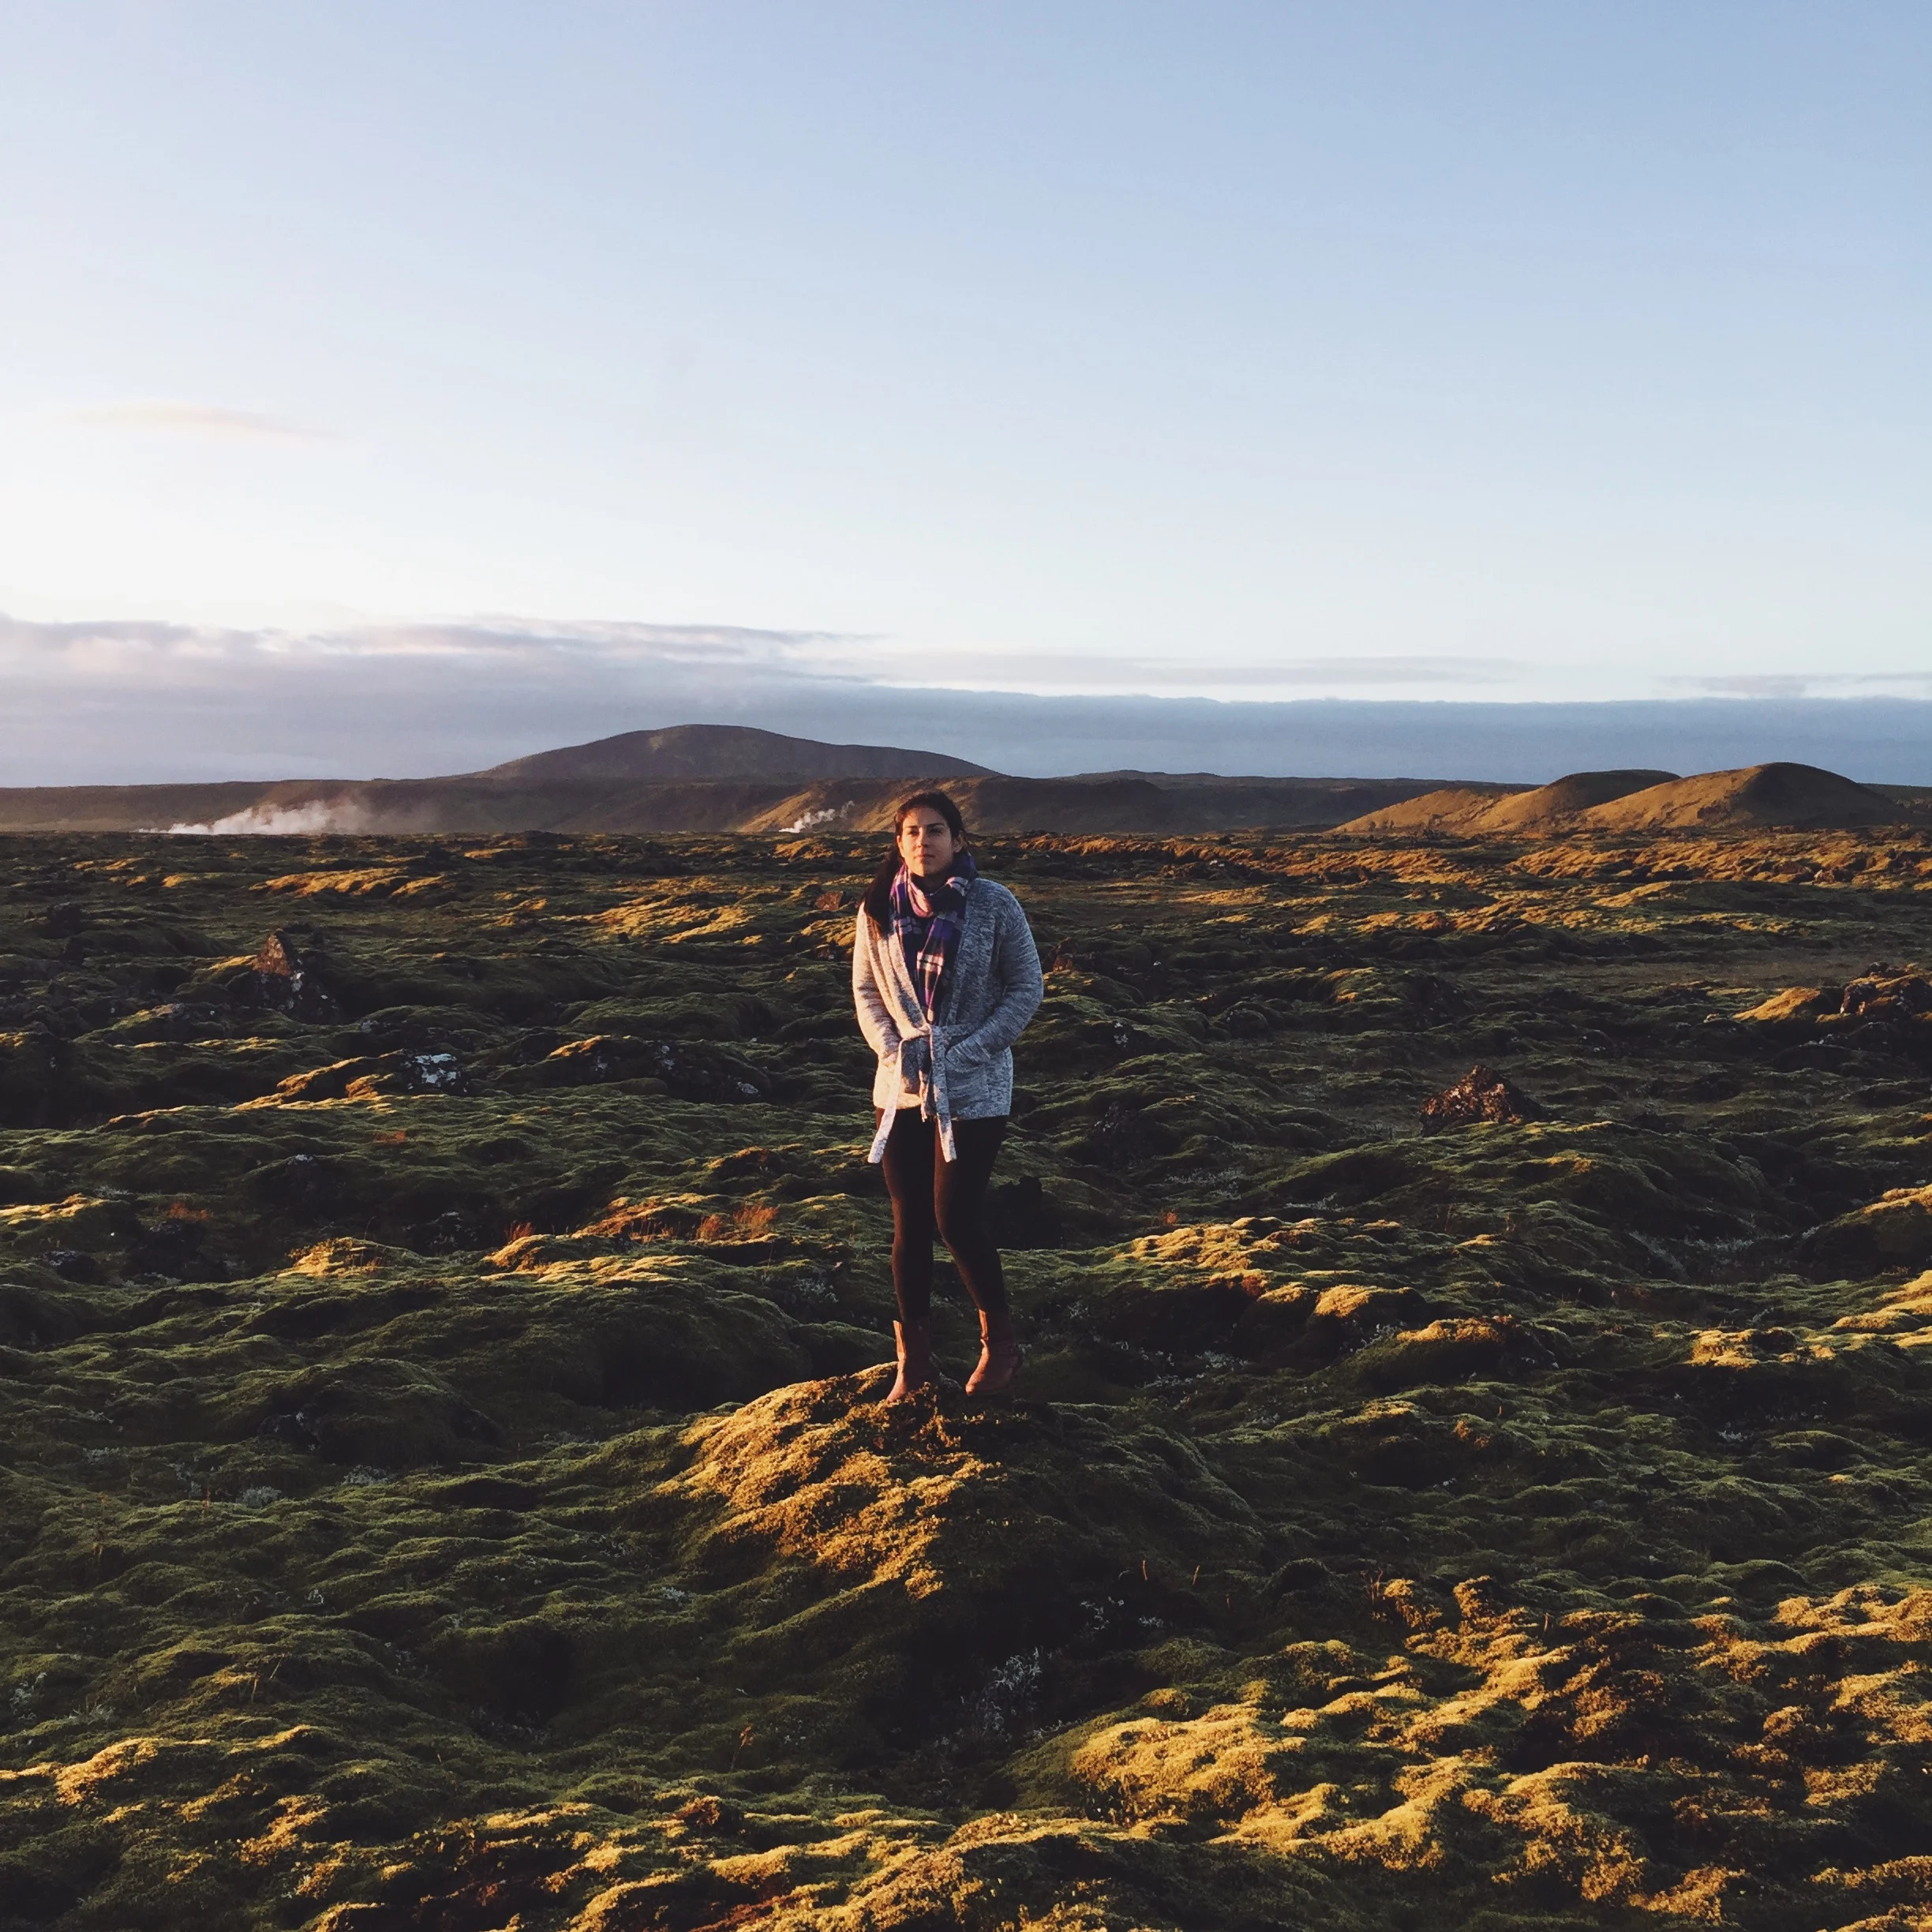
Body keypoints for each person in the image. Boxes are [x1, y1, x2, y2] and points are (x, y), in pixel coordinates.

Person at [851, 789, 1043, 1402]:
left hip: (975, 1086)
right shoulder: (877, 907)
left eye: (935, 830)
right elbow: (866, 991)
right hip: (901, 1087)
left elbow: (1025, 988)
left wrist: (969, 1052)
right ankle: (914, 1362)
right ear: (898, 841)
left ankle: (1001, 1348)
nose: (922, 841)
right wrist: (892, 1049)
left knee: (955, 1217)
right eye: (911, 832)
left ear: (958, 840)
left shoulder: (994, 903)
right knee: (908, 1222)